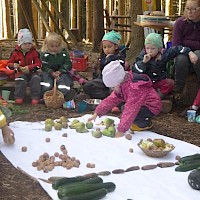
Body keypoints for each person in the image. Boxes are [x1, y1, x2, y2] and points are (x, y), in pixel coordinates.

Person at [88, 60, 162, 137]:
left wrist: (121, 130)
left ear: (119, 82)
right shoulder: (123, 84)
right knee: (124, 108)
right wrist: (97, 112)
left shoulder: (134, 88)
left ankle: (145, 123)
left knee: (128, 110)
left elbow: (131, 108)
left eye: (113, 87)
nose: (113, 89)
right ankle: (135, 121)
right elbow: (111, 100)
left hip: (151, 106)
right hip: (141, 103)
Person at [132, 32, 198, 113]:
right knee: (136, 85)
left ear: (159, 48)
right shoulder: (143, 55)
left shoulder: (164, 54)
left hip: (158, 82)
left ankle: (155, 99)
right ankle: (149, 101)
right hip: (146, 82)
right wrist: (143, 63)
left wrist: (189, 52)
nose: (149, 51)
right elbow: (136, 71)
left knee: (170, 83)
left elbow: (178, 49)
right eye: (147, 48)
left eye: (152, 48)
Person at [83, 30, 129, 113]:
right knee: (87, 86)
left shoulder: (120, 56)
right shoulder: (102, 57)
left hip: (116, 83)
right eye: (104, 47)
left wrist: (111, 59)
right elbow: (99, 71)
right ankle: (108, 98)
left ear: (115, 46)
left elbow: (119, 72)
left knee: (116, 90)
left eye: (109, 46)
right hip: (104, 81)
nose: (107, 49)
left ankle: (115, 104)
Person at [172, 0, 200, 103]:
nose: (190, 12)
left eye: (193, 9)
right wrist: (188, 51)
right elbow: (176, 45)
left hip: (198, 55)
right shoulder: (180, 23)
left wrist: (187, 43)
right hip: (183, 54)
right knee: (181, 58)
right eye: (188, 9)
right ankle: (178, 91)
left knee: (198, 55)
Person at [7, 28, 42, 105]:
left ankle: (35, 97)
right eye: (25, 44)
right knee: (20, 80)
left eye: (29, 43)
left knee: (36, 79)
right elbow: (9, 64)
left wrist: (30, 67)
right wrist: (15, 66)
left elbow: (39, 64)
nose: (27, 46)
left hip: (32, 72)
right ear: (20, 44)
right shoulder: (15, 53)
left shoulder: (34, 52)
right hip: (20, 72)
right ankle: (18, 97)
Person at [40, 32, 76, 102]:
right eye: (52, 46)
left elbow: (68, 63)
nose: (54, 48)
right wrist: (51, 72)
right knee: (46, 81)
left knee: (64, 80)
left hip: (62, 72)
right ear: (47, 45)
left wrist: (60, 71)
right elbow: (43, 65)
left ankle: (62, 96)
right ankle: (46, 96)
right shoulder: (44, 54)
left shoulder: (63, 53)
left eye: (56, 46)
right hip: (48, 72)